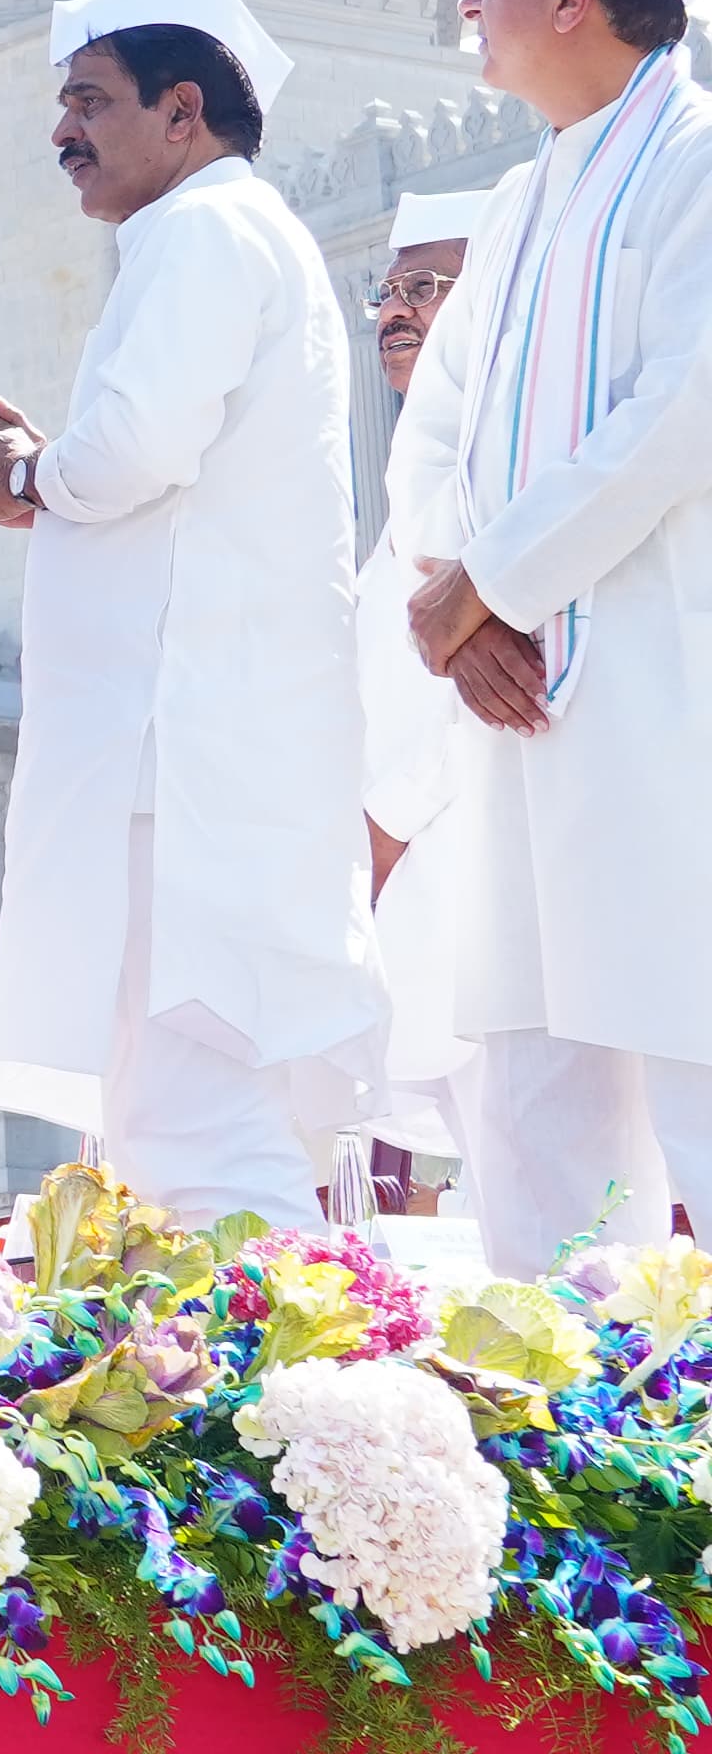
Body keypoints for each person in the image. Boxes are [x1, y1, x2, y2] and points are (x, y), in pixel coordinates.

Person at [0, 0, 388, 1227]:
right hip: (197, 755)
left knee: (196, 1126)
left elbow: (133, 451)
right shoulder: (229, 233)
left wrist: (22, 473)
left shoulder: (204, 232)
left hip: (177, 763)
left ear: (182, 110)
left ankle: (301, 1405)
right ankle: (288, 1399)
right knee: (178, 1117)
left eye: (89, 100)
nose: (60, 133)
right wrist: (59, 464)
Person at [386, 0, 712, 1275]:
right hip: (514, 720)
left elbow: (684, 409)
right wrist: (458, 608)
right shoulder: (514, 208)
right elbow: (433, 437)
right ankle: (583, 1458)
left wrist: (493, 585)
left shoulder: (698, 162)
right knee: (532, 1102)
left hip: (667, 695)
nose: (470, 3)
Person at [358, 186, 488, 1209]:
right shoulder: (420, 458)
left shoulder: (495, 453)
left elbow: (466, 686)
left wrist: (377, 836)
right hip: (423, 914)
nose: (395, 312)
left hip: (478, 897)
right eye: (387, 290)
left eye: (425, 287)